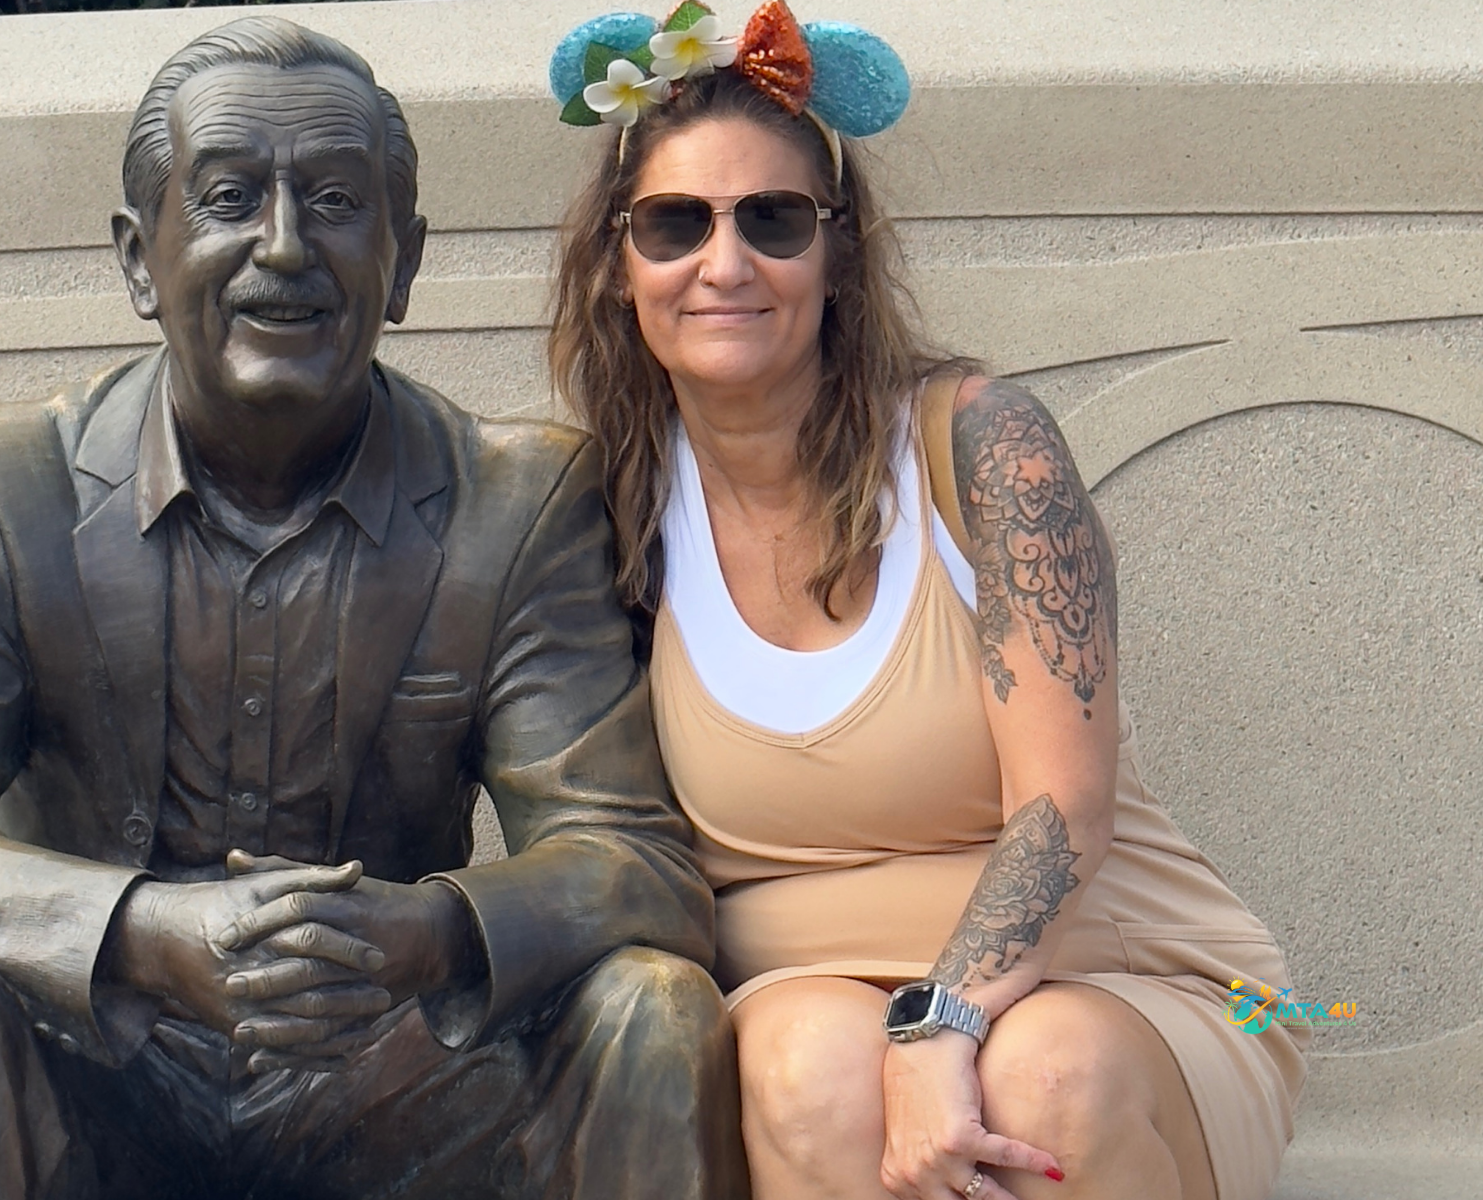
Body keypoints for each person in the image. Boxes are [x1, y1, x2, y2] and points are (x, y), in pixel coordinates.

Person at [0, 16, 748, 1200]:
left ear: (401, 266)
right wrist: (143, 935)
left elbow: (635, 862)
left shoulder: (515, 500)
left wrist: (430, 932)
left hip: (395, 1083)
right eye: (231, 196)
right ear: (141, 258)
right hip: (103, 1077)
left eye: (337, 202)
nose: (283, 247)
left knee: (654, 1011)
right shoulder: (3, 486)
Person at [545, 4, 1307, 1200]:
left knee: (1046, 1076)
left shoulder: (978, 447)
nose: (725, 263)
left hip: (1109, 985)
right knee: (801, 1068)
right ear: (615, 262)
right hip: (811, 1001)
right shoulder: (605, 516)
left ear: (837, 253)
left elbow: (1063, 810)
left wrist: (936, 1026)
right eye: (674, 223)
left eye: (775, 220)